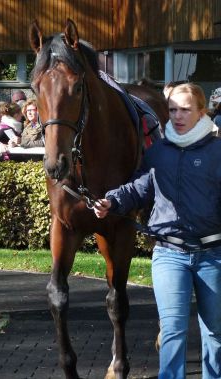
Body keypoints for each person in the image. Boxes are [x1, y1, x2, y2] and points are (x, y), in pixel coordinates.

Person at [93, 83, 221, 379]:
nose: (177, 116)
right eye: (172, 109)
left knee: (215, 334)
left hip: (213, 256)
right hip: (169, 255)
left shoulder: (217, 152)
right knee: (173, 331)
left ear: (202, 112)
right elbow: (140, 187)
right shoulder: (159, 152)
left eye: (185, 110)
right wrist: (112, 201)